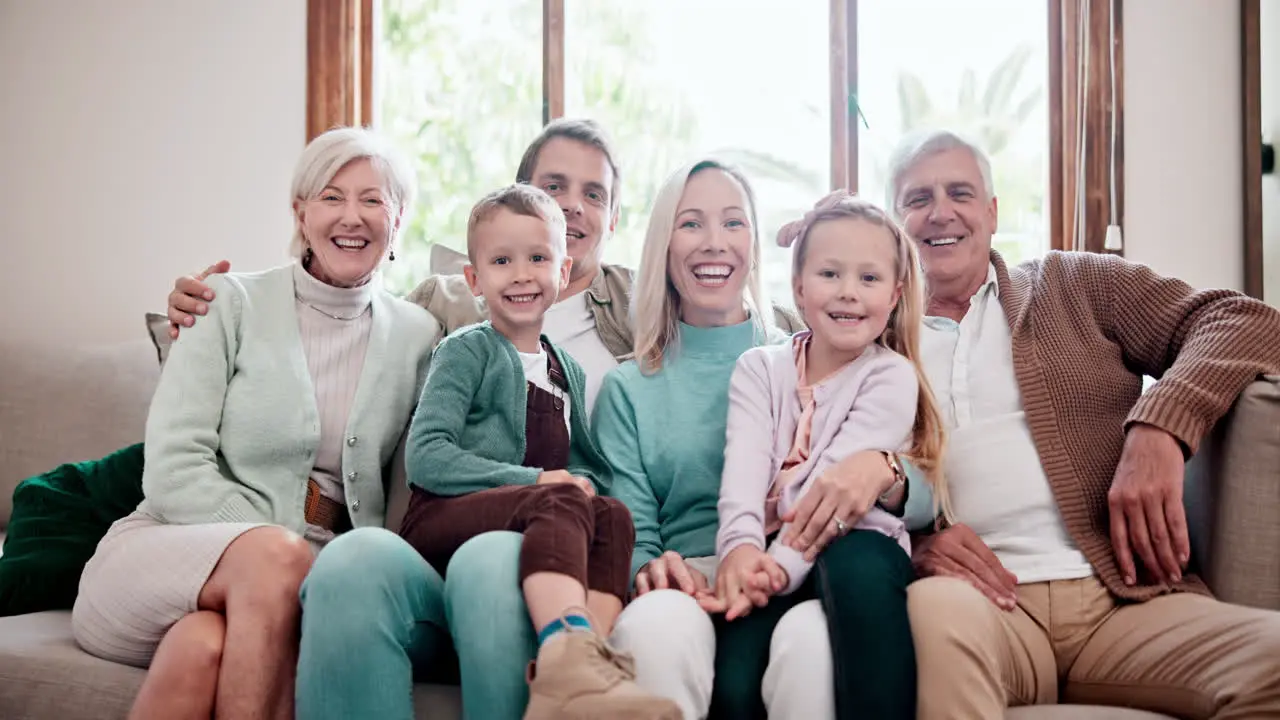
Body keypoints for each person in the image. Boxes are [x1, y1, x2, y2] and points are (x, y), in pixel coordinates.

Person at [167, 118, 810, 720]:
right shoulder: (445, 317)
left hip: (550, 551)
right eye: (553, 188)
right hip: (460, 527)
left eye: (594, 193)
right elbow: (349, 303)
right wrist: (204, 313)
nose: (571, 205)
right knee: (380, 556)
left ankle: (589, 661)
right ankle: (569, 653)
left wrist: (820, 254)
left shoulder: (645, 322)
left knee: (578, 521)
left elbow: (610, 454)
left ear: (614, 219)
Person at [783, 129, 1280, 718]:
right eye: (917, 199)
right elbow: (811, 473)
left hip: (1119, 601)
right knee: (936, 614)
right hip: (981, 606)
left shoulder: (1074, 283)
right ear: (894, 226)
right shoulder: (860, 340)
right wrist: (910, 544)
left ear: (992, 213)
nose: (941, 212)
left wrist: (1160, 428)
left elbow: (1243, 319)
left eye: (960, 192)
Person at [70, 127, 440, 719]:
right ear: (301, 211)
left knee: (201, 649)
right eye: (331, 196)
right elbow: (171, 470)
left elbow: (500, 286)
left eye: (373, 199)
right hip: (167, 551)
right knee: (274, 560)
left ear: (398, 221)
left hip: (294, 583)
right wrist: (279, 545)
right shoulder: (225, 301)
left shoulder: (420, 334)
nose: (353, 216)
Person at [595, 159, 936, 720]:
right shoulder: (629, 387)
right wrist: (649, 568)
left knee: (809, 649)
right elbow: (632, 524)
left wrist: (890, 473)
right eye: (690, 224)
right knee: (656, 631)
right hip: (700, 571)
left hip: (804, 564)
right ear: (663, 243)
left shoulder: (823, 345)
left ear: (756, 244)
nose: (713, 243)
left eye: (733, 223)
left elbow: (914, 480)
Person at [395, 183, 678, 719]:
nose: (522, 273)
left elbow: (585, 465)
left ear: (563, 271)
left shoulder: (564, 369)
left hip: (534, 519)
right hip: (441, 519)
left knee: (612, 515)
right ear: (474, 280)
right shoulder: (466, 351)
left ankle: (591, 669)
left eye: (538, 258)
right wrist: (539, 483)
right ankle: (563, 658)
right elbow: (428, 457)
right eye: (502, 261)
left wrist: (586, 487)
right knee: (559, 498)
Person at [699, 196, 952, 719]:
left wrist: (778, 571)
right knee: (734, 681)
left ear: (895, 293)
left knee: (855, 568)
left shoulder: (890, 376)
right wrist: (741, 555)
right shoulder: (758, 369)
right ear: (798, 286)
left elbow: (828, 490)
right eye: (830, 274)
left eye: (869, 278)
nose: (848, 293)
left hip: (856, 541)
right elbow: (741, 476)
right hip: (772, 554)